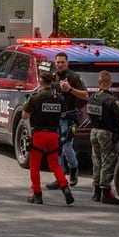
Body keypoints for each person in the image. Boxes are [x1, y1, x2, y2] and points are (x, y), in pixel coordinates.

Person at [23, 71, 73, 205]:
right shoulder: (59, 98)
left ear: (40, 81)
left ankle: (37, 194)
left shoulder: (35, 98)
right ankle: (65, 187)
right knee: (54, 164)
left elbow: (24, 116)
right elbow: (63, 115)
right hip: (53, 135)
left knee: (35, 165)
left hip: (39, 134)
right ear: (52, 82)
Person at [86, 70, 119, 204]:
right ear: (110, 83)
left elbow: (89, 115)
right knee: (108, 162)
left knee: (96, 161)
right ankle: (105, 192)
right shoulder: (111, 99)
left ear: (99, 82)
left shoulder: (92, 98)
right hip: (107, 133)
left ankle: (96, 192)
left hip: (94, 131)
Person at [47, 52, 88, 189]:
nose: (60, 65)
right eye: (58, 62)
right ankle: (59, 177)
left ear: (67, 63)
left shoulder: (74, 77)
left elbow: (85, 95)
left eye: (62, 62)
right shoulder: (54, 77)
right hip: (54, 118)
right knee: (55, 148)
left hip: (69, 118)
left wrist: (70, 89)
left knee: (66, 147)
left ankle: (74, 169)